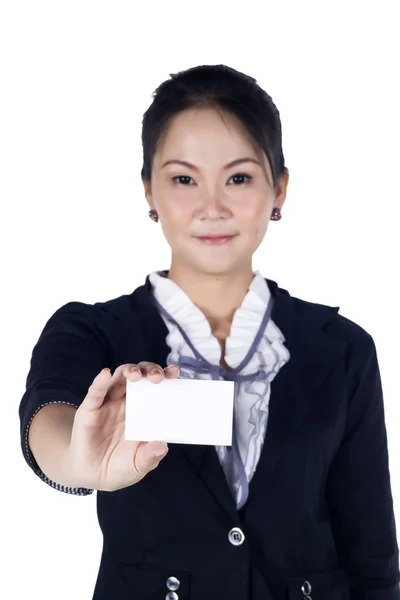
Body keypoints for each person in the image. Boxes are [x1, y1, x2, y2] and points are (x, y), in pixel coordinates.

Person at [18, 64, 399, 600]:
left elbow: (373, 558)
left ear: (280, 189)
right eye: (183, 179)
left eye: (239, 178)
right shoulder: (91, 331)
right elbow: (48, 418)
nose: (212, 207)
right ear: (148, 189)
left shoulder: (343, 350)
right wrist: (78, 460)